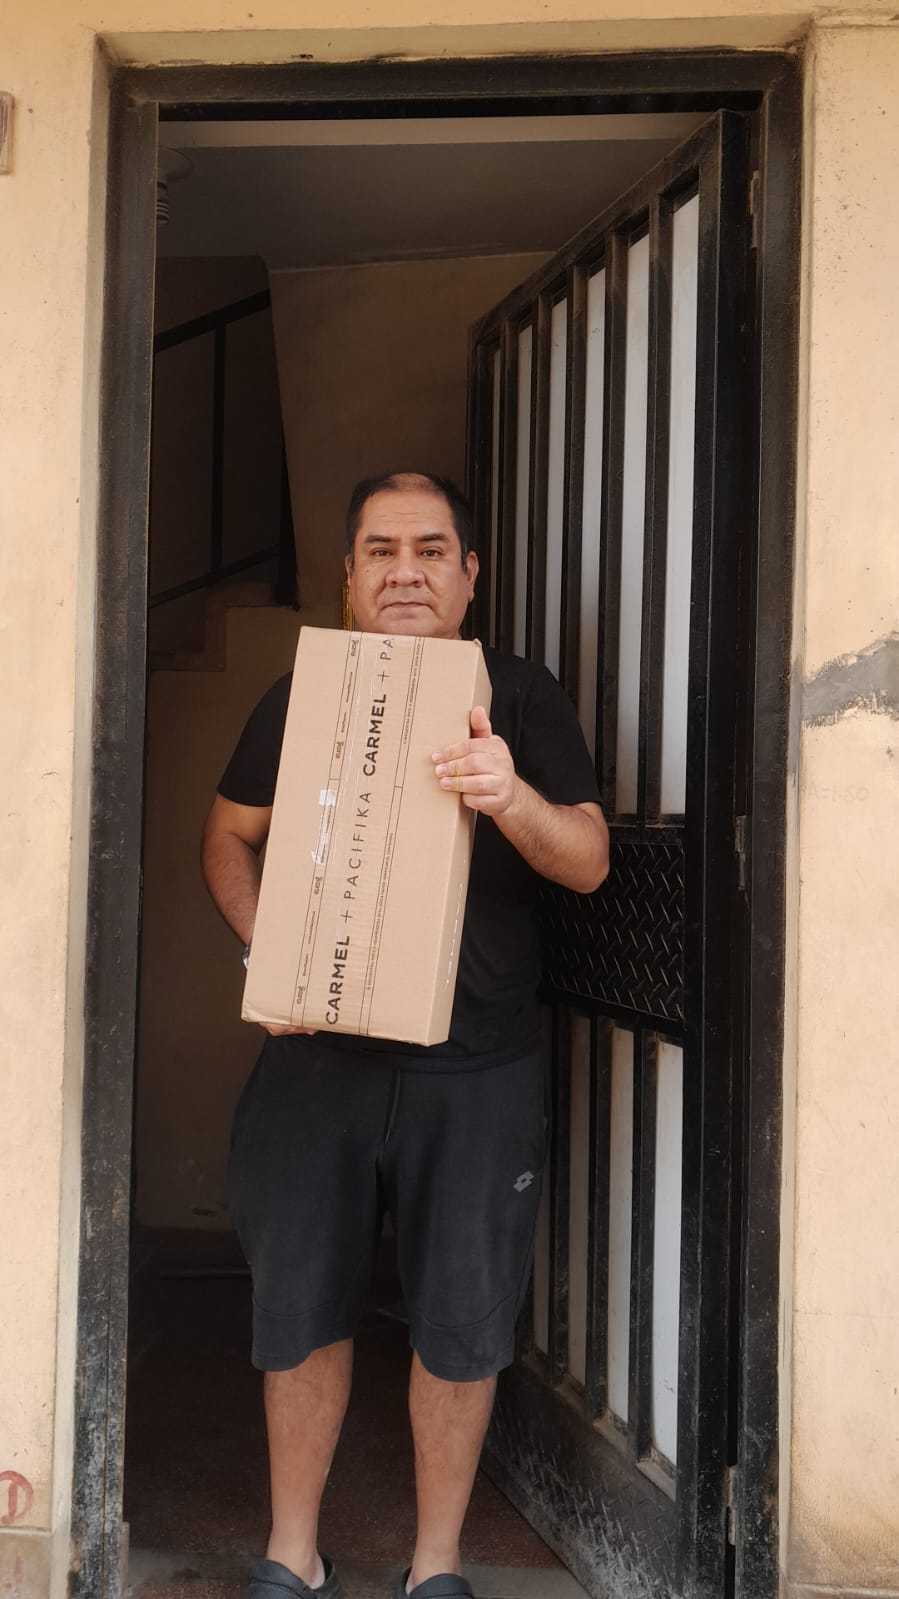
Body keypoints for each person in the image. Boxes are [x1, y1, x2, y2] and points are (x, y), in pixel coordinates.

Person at [202, 471, 609, 1599]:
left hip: (477, 1071)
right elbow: (226, 837)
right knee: (299, 1311)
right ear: (348, 574)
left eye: (431, 550)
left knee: (461, 1324)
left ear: (469, 575)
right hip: (315, 1066)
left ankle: (436, 1568)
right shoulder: (304, 692)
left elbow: (587, 859)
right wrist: (266, 953)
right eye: (379, 550)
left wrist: (508, 795)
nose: (404, 572)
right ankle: (291, 1554)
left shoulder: (520, 697)